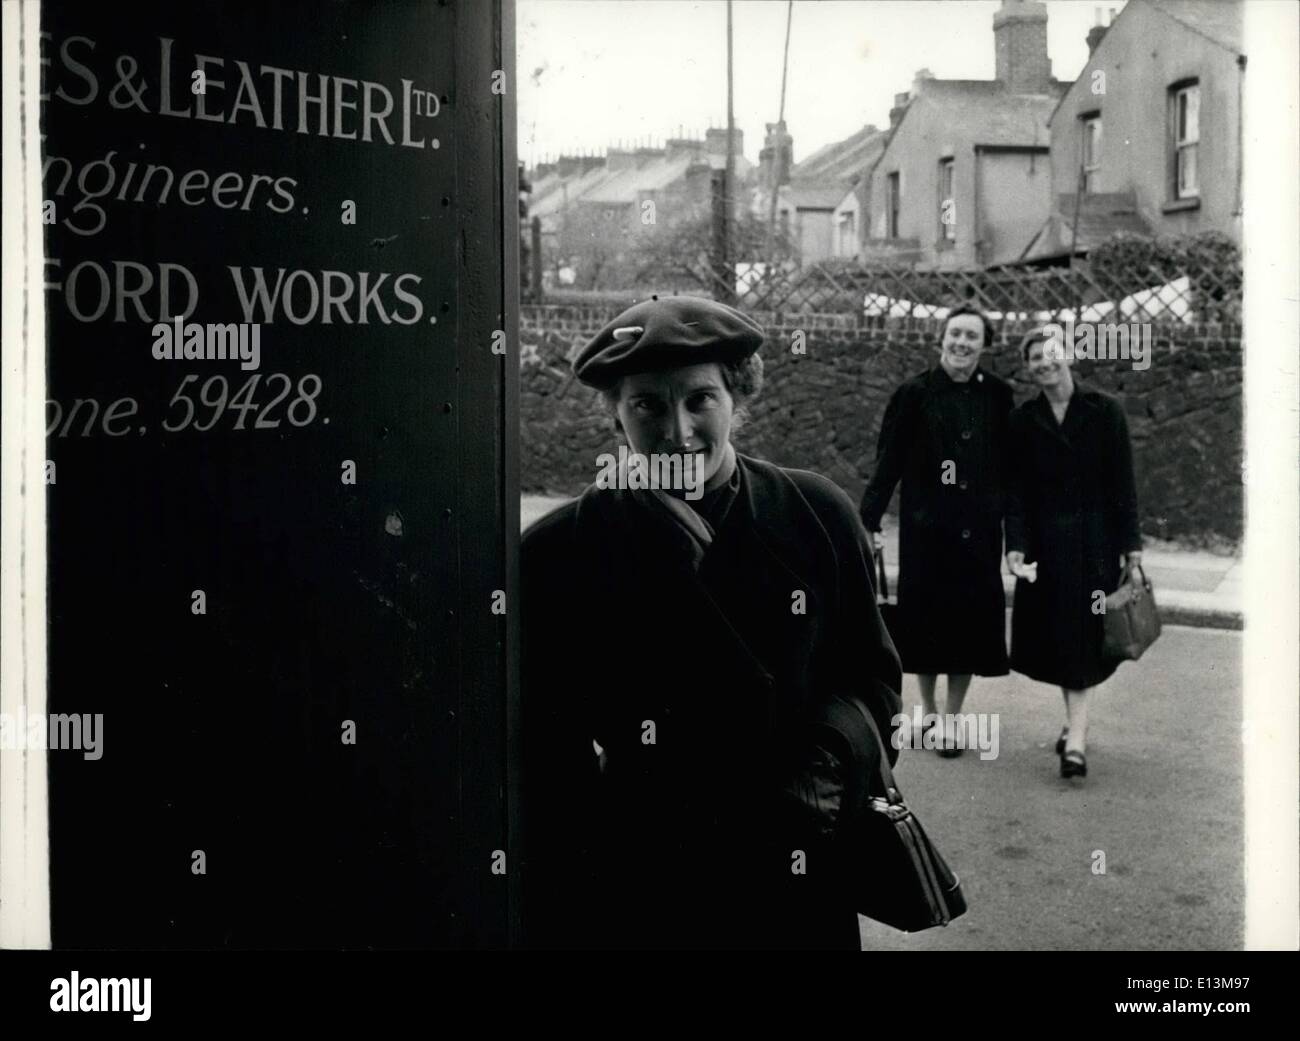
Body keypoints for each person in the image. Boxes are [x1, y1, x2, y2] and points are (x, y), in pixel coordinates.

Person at [520, 296, 902, 950]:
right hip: (643, 881)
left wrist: (827, 760)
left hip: (795, 866)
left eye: (700, 399)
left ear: (738, 396)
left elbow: (872, 679)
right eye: (647, 405)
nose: (678, 430)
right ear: (615, 413)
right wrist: (582, 886)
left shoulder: (816, 515)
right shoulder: (561, 550)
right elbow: (542, 747)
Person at [859, 305, 1013, 756]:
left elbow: (1011, 467)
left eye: (973, 337)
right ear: (941, 339)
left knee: (966, 625)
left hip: (978, 532)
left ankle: (951, 717)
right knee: (924, 620)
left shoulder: (999, 396)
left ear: (984, 346)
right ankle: (926, 709)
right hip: (927, 531)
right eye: (956, 334)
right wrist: (867, 522)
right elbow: (887, 463)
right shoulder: (914, 394)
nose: (962, 343)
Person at [1004, 328, 1144, 780]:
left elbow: (1124, 487)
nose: (1045, 363)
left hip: (1095, 546)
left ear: (1069, 355)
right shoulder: (1024, 420)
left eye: (1051, 354)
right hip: (1046, 549)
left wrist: (1133, 553)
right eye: (1035, 359)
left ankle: (1077, 741)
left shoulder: (1105, 412)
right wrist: (1016, 548)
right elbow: (1017, 492)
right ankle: (1075, 726)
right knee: (1065, 641)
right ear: (1028, 368)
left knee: (1084, 639)